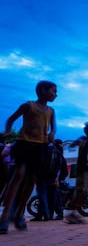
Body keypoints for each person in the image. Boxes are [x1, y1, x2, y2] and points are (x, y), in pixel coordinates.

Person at [0, 81, 57, 234]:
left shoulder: (51, 110)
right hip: (24, 144)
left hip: (41, 147)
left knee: (31, 180)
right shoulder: (29, 106)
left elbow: (53, 128)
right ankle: (5, 216)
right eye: (53, 91)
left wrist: (52, 134)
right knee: (18, 176)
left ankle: (19, 213)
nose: (55, 94)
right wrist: (7, 131)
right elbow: (11, 119)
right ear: (42, 90)